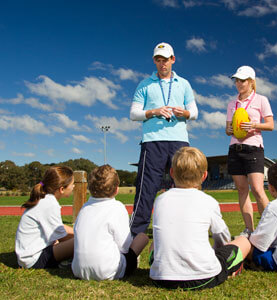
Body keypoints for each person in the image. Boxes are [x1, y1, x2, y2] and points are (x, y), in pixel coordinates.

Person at [150, 147, 250, 290]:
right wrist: (217, 251)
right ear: (204, 176)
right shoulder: (208, 201)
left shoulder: (160, 200)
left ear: (172, 173)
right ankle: (234, 267)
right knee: (244, 241)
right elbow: (222, 235)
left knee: (154, 244)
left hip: (161, 279)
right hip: (203, 278)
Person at [129, 42, 198, 237]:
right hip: (152, 141)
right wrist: (153, 112)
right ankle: (136, 232)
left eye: (166, 60)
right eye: (158, 60)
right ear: (154, 61)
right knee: (146, 188)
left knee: (185, 187)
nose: (162, 64)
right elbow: (134, 114)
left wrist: (183, 112)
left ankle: (187, 228)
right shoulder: (144, 84)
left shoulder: (184, 84)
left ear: (173, 60)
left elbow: (194, 112)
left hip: (179, 142)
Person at [72, 165, 149, 280]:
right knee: (143, 237)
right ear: (116, 189)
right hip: (107, 271)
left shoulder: (84, 208)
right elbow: (124, 246)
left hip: (78, 270)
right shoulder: (117, 207)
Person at [225, 65, 274, 237]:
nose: (239, 83)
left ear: (252, 82)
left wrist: (254, 125)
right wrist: (231, 130)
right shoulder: (232, 104)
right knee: (241, 190)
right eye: (237, 80)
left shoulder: (261, 100)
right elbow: (227, 129)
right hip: (234, 148)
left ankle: (269, 230)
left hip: (253, 148)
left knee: (258, 190)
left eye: (242, 80)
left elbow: (270, 125)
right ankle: (249, 229)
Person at [15, 166, 75, 269]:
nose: (73, 186)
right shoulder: (49, 204)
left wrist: (76, 232)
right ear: (62, 189)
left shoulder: (45, 199)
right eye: (72, 184)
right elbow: (62, 236)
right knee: (83, 240)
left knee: (78, 237)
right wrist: (82, 236)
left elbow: (59, 228)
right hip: (34, 260)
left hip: (27, 257)